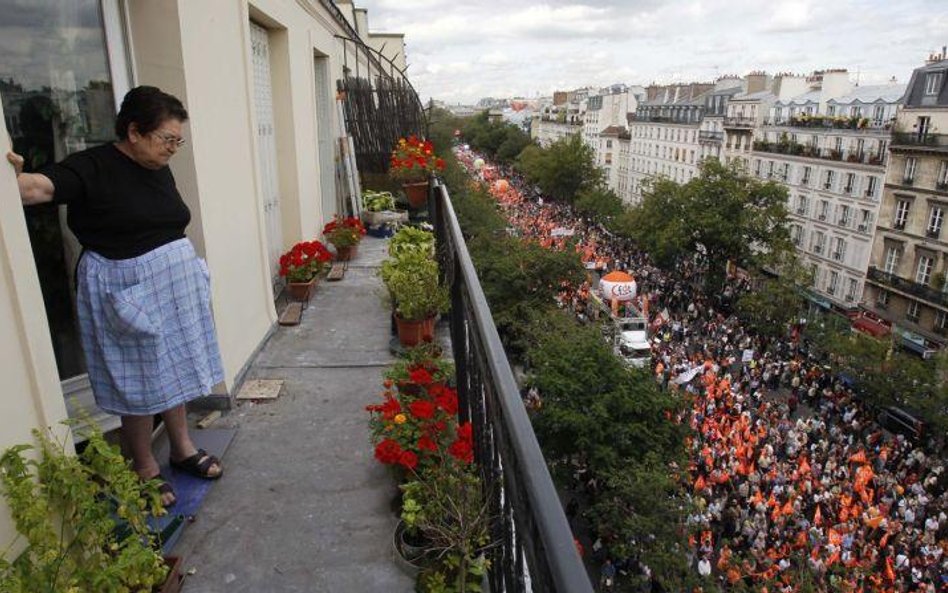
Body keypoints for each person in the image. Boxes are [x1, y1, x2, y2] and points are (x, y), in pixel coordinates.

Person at [7, 86, 224, 506]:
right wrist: (12, 176)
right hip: (125, 291)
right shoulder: (93, 166)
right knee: (137, 380)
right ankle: (143, 466)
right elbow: (38, 189)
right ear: (134, 131)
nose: (173, 149)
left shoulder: (157, 165)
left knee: (172, 371)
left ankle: (181, 448)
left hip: (171, 287)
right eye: (167, 139)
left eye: (178, 140)